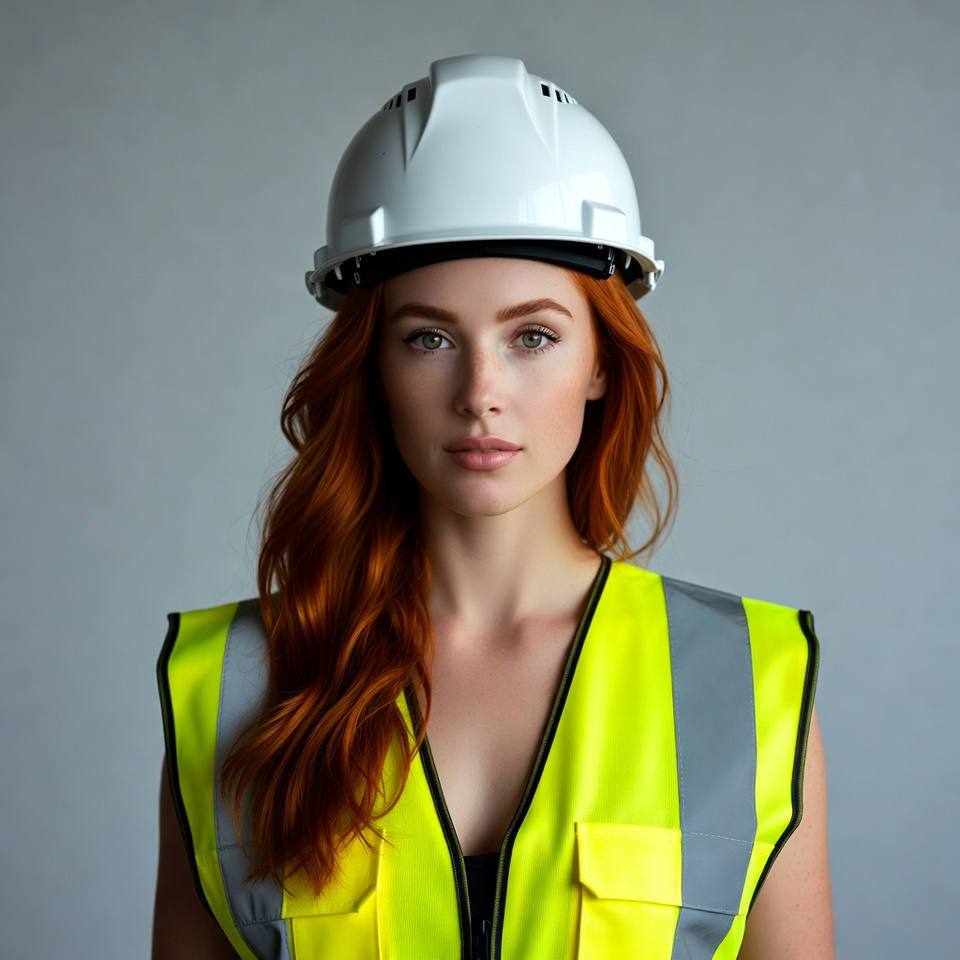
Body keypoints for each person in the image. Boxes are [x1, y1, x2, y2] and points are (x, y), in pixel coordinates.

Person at [153, 55, 834, 959]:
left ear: (600, 363)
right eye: (428, 337)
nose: (481, 391)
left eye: (533, 336)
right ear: (373, 367)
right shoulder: (226, 685)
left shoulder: (751, 682)